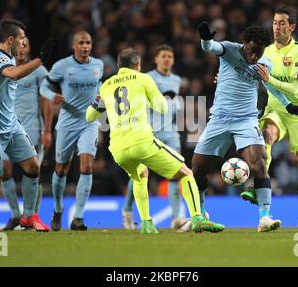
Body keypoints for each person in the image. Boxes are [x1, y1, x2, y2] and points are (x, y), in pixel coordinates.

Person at [183, 22, 298, 233]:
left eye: (258, 54)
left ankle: (264, 217)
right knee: (197, 170)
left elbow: (270, 86)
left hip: (246, 120)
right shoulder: (229, 49)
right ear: (244, 43)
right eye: (252, 52)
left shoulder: (264, 62)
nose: (254, 58)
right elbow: (210, 48)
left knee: (259, 162)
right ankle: (200, 214)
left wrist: (289, 105)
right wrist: (205, 38)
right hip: (219, 119)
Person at [86, 48, 225, 234]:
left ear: (119, 66)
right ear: (138, 65)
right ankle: (198, 218)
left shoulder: (106, 85)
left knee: (140, 175)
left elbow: (89, 116)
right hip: (141, 141)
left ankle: (146, 223)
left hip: (118, 149)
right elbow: (162, 109)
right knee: (186, 173)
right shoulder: (144, 79)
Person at [0, 19, 55, 234]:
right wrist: (39, 60)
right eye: (21, 38)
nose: (23, 42)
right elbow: (15, 74)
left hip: (11, 125)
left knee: (33, 166)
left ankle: (29, 217)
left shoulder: (9, 57)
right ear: (10, 39)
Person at [240, 7, 298, 233]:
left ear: (292, 27)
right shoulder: (266, 52)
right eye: (274, 22)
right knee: (268, 135)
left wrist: (269, 79)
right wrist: (222, 77)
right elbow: (245, 69)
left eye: (282, 23)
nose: (277, 27)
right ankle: (258, 185)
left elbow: (293, 87)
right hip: (275, 110)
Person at [40, 31, 103, 231]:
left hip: (89, 122)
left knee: (86, 167)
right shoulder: (62, 66)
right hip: (67, 123)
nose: (85, 46)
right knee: (61, 169)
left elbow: (100, 88)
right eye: (81, 43)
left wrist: (100, 104)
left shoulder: (98, 65)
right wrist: (52, 95)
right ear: (73, 45)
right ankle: (58, 210)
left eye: (88, 43)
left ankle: (78, 217)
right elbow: (43, 86)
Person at [122, 44, 188, 230]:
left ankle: (176, 218)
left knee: (177, 172)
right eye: (163, 56)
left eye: (170, 56)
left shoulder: (176, 80)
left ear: (173, 60)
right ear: (156, 59)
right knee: (140, 174)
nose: (167, 59)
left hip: (171, 132)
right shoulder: (146, 78)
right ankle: (127, 209)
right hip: (149, 131)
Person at [1, 37, 54, 231]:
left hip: (31, 128)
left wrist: (47, 130)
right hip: (6, 128)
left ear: (30, 48)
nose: (22, 48)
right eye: (19, 45)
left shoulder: (38, 70)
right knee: (3, 170)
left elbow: (47, 99)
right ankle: (16, 214)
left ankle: (30, 216)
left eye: (26, 45)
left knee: (32, 172)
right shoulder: (5, 69)